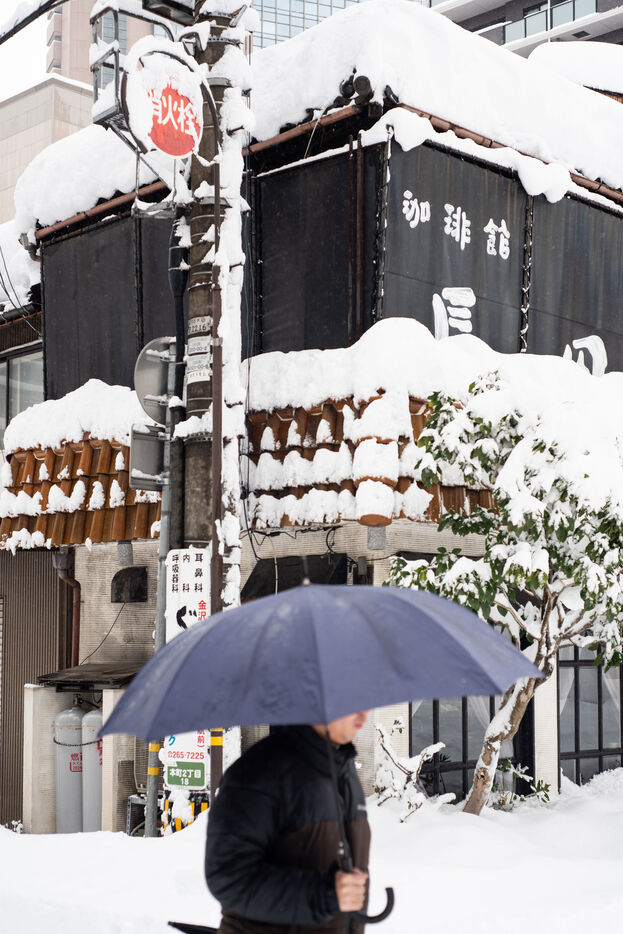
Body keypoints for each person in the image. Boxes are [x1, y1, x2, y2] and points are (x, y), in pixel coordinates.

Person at [205, 711, 371, 934]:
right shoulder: (259, 772)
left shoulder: (344, 768)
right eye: (351, 701)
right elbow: (228, 875)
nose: (364, 713)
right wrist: (323, 896)